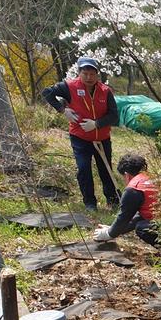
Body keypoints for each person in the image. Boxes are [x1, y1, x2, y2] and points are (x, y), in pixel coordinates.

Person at [42, 57, 120, 212]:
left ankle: (113, 201)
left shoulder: (105, 91)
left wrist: (96, 123)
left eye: (92, 74)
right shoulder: (69, 87)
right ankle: (90, 203)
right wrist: (62, 109)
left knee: (105, 169)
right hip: (80, 138)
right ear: (79, 73)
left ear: (97, 74)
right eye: (85, 73)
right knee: (84, 169)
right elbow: (47, 93)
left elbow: (114, 116)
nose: (89, 77)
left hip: (102, 138)